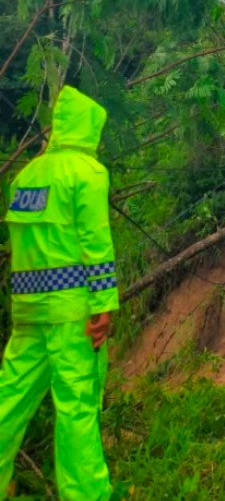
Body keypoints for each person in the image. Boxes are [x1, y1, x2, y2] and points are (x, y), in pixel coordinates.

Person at [0, 86, 119, 501]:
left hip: (28, 310)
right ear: (90, 128)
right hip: (73, 312)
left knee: (9, 400)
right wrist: (104, 303)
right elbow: (94, 241)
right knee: (76, 407)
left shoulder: (26, 176)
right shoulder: (88, 172)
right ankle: (86, 494)